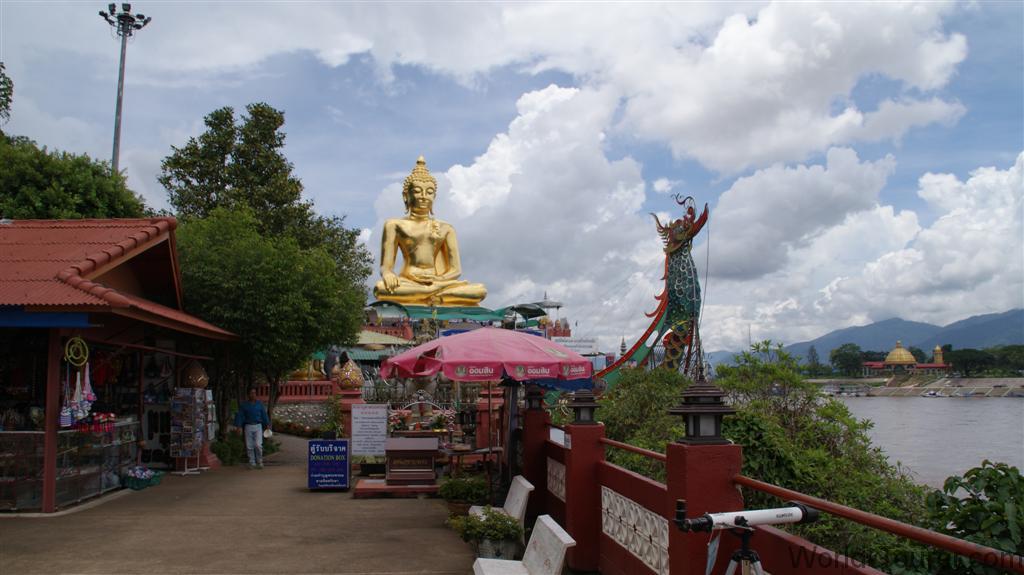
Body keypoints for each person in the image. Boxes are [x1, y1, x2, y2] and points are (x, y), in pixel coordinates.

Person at [372, 155, 487, 306]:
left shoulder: (446, 228)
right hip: (409, 281)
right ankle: (433, 294)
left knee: (480, 290)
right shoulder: (394, 225)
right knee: (380, 288)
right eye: (418, 191)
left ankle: (429, 294)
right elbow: (386, 267)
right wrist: (388, 274)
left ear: (435, 196)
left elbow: (455, 270)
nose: (424, 197)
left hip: (438, 281)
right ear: (406, 196)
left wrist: (440, 280)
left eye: (430, 192)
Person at [234, 388, 271, 469]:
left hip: (258, 426)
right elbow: (240, 416)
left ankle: (259, 461)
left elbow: (264, 414)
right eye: (251, 393)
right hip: (248, 426)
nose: (253, 395)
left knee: (258, 445)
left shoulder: (259, 404)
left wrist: (267, 424)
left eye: (254, 393)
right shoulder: (244, 405)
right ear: (248, 395)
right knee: (249, 445)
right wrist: (238, 426)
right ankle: (252, 462)